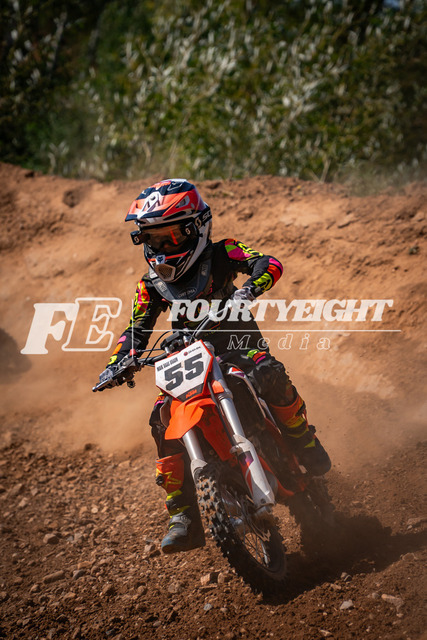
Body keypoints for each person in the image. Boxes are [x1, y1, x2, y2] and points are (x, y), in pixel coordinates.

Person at [98, 178, 331, 553]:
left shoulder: (223, 252)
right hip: (188, 355)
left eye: (171, 236)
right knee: (161, 419)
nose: (162, 247)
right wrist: (117, 362)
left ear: (197, 227)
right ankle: (183, 516)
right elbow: (136, 329)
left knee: (269, 373)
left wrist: (249, 289)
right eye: (153, 239)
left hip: (239, 346)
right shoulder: (150, 285)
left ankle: (304, 443)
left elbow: (268, 263)